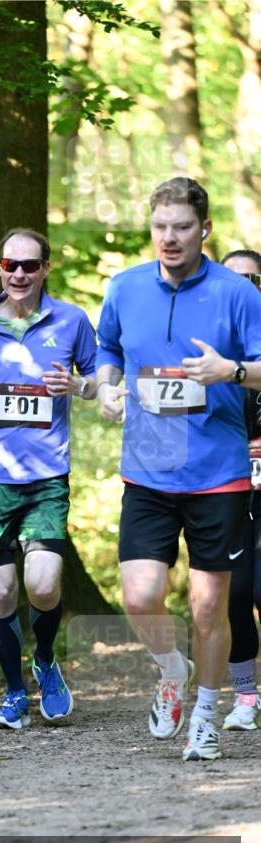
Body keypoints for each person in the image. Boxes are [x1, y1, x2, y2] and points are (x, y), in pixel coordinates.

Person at [96, 177, 261, 762]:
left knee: (209, 607)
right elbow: (107, 351)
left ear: (205, 230)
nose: (170, 238)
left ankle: (208, 715)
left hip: (218, 473)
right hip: (147, 471)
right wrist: (109, 389)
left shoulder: (237, 293)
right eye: (161, 226)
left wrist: (232, 372)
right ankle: (173, 668)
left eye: (182, 227)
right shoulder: (125, 287)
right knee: (141, 598)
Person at [0, 228, 97, 729]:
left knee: (44, 588)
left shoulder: (71, 320)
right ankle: (13, 693)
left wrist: (76, 384)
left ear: (46, 268)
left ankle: (45, 660)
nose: (20, 274)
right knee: (2, 594)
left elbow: (101, 385)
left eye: (30, 265)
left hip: (47, 476)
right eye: (11, 265)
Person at [221, 249, 261, 730]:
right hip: (224, 488)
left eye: (254, 278)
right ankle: (246, 695)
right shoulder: (207, 349)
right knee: (234, 594)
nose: (245, 287)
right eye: (236, 280)